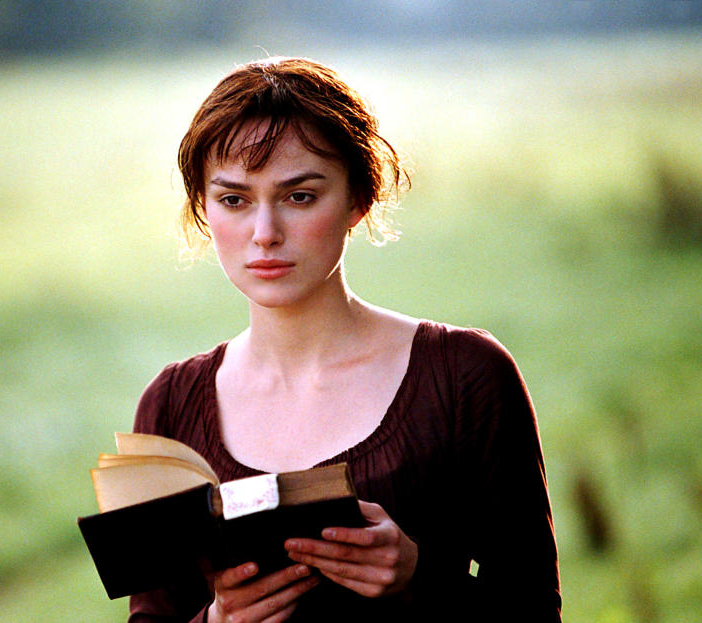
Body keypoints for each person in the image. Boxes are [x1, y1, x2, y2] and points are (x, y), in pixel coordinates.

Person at [129, 57, 561, 622]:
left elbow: (534, 609)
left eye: (300, 196)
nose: (264, 234)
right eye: (234, 200)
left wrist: (420, 578)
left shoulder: (467, 376)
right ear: (205, 210)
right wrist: (218, 621)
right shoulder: (168, 408)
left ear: (360, 198)